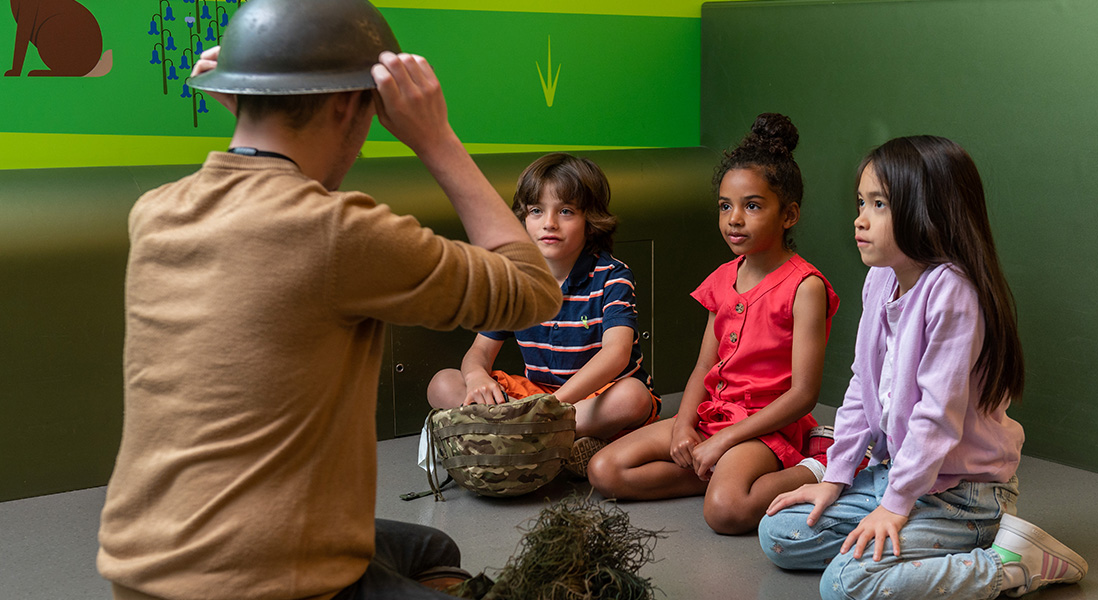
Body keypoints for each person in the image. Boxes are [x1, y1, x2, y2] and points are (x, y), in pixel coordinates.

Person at [95, 1, 561, 600]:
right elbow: (532, 290)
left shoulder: (155, 214)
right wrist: (435, 137)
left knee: (431, 548)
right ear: (349, 106)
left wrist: (257, 95)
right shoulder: (340, 233)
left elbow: (256, 193)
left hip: (141, 569)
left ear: (238, 96)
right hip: (259, 585)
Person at [758, 136, 1088, 599]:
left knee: (845, 585)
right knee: (779, 534)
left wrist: (893, 507)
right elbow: (861, 386)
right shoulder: (880, 279)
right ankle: (913, 545)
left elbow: (936, 417)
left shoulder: (954, 292)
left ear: (929, 213)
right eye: (860, 202)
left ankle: (1011, 562)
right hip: (899, 474)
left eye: (879, 204)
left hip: (963, 496)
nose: (859, 218)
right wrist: (835, 477)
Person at [587, 113, 839, 535]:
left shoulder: (805, 286)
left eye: (752, 205)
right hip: (712, 416)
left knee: (725, 513)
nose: (734, 218)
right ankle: (715, 472)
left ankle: (821, 467)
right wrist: (685, 425)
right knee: (604, 470)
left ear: (789, 214)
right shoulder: (722, 278)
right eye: (725, 206)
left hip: (765, 426)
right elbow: (705, 367)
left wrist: (724, 441)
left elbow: (803, 395)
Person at [427, 152, 658, 477]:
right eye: (537, 210)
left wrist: (553, 408)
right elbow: (479, 352)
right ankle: (553, 443)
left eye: (565, 211)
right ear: (523, 218)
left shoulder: (611, 276)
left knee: (633, 398)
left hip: (588, 399)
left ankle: (516, 440)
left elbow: (617, 354)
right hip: (535, 398)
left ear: (589, 220)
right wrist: (476, 377)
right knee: (443, 384)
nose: (549, 222)